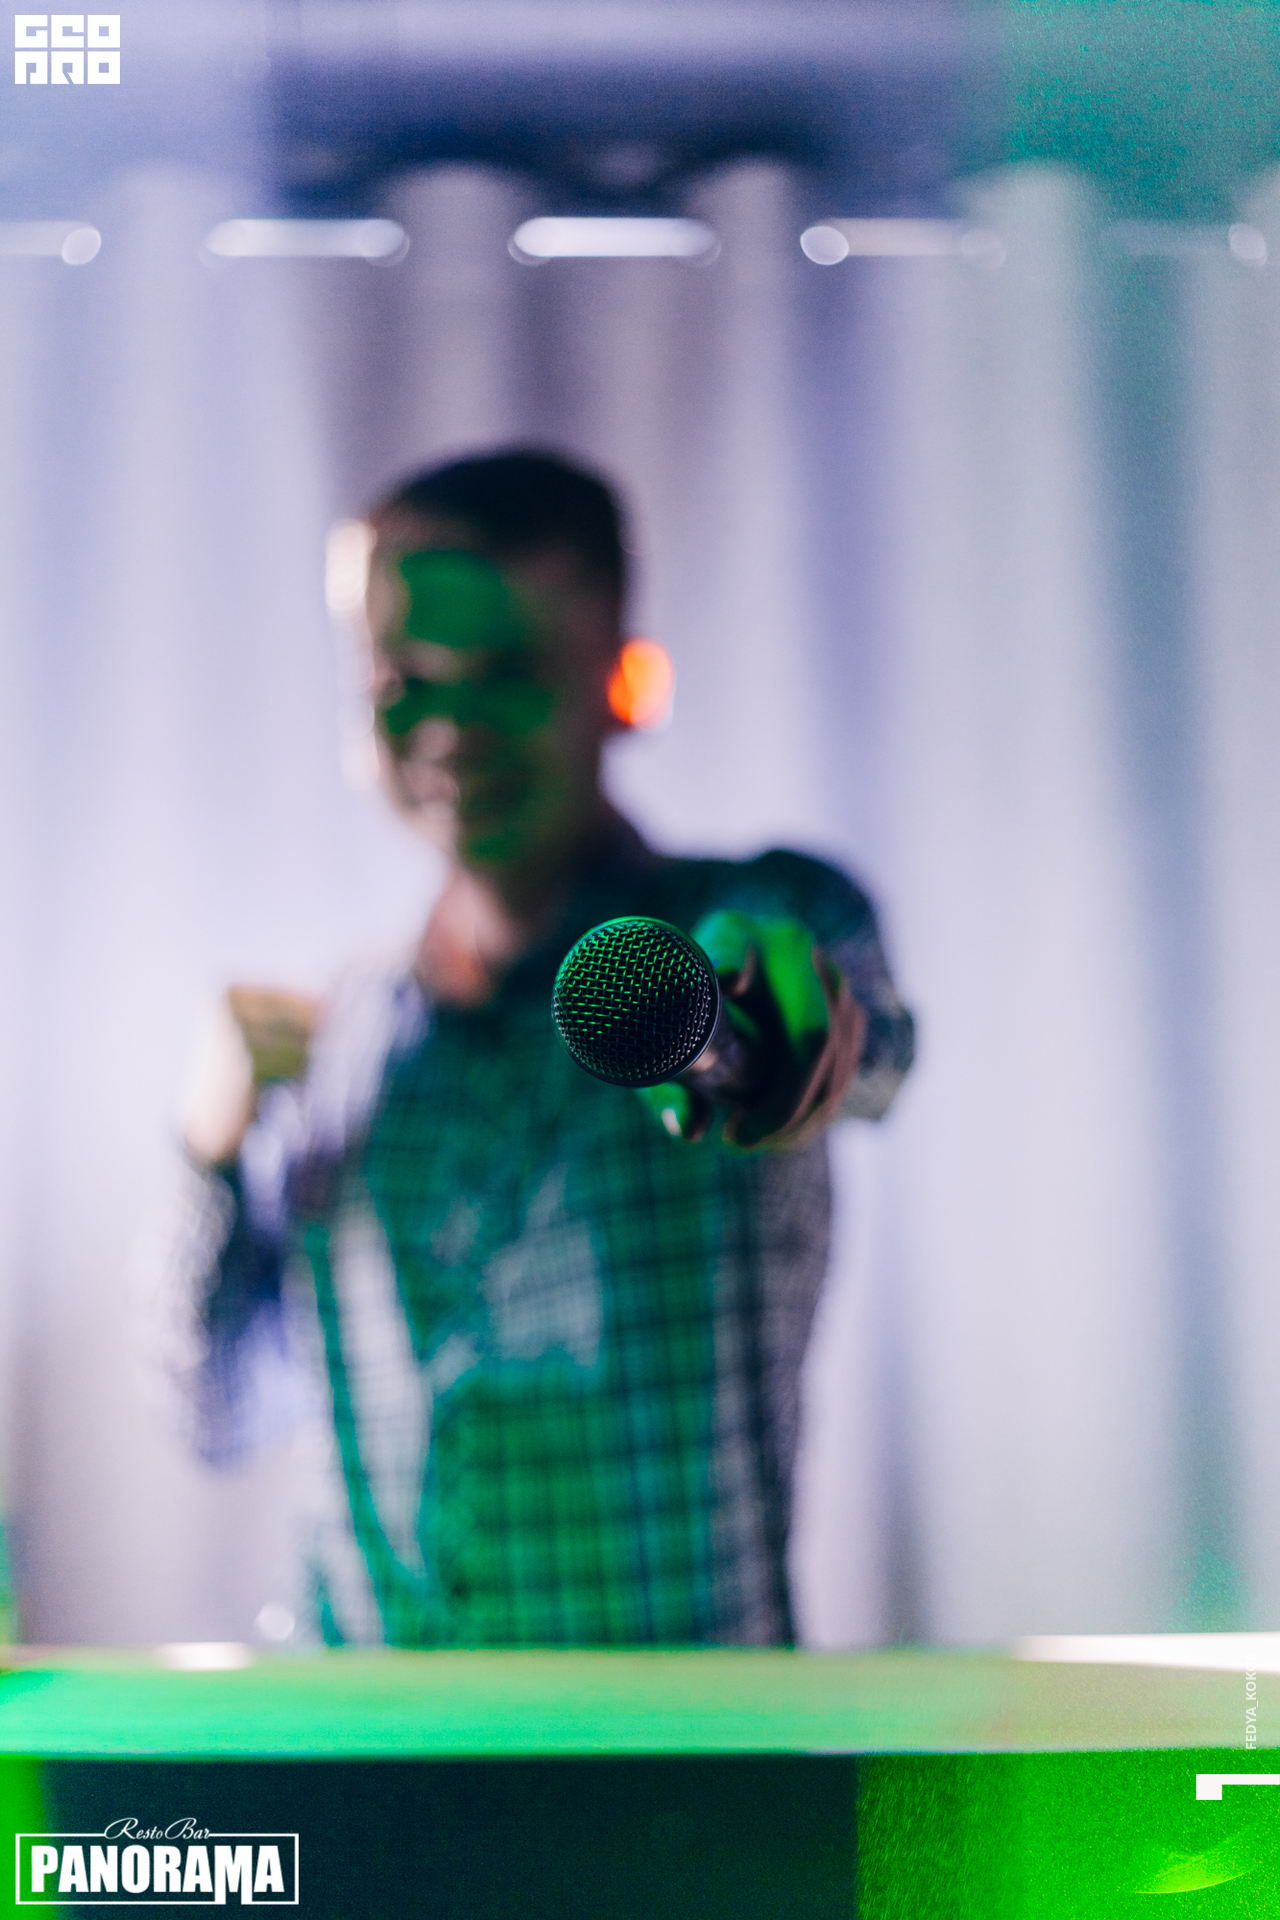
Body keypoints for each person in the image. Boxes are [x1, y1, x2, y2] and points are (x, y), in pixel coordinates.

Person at [164, 449, 914, 1648]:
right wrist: (206, 1153)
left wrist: (769, 1032)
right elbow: (221, 1410)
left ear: (620, 684)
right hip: (360, 1741)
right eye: (405, 678)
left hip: (674, 1742)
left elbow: (862, 1049)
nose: (451, 728)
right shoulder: (339, 1039)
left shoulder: (744, 928)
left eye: (509, 675)